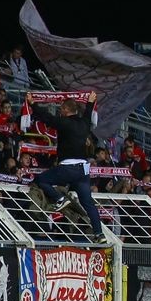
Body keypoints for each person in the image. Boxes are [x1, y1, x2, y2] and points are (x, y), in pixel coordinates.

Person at [26, 91, 108, 245]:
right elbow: (88, 114)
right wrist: (90, 102)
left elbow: (47, 118)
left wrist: (33, 104)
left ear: (65, 110)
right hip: (83, 171)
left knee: (41, 179)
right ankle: (99, 234)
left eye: (61, 109)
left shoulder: (64, 122)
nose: (60, 111)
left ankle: (59, 199)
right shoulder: (84, 124)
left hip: (68, 168)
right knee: (88, 203)